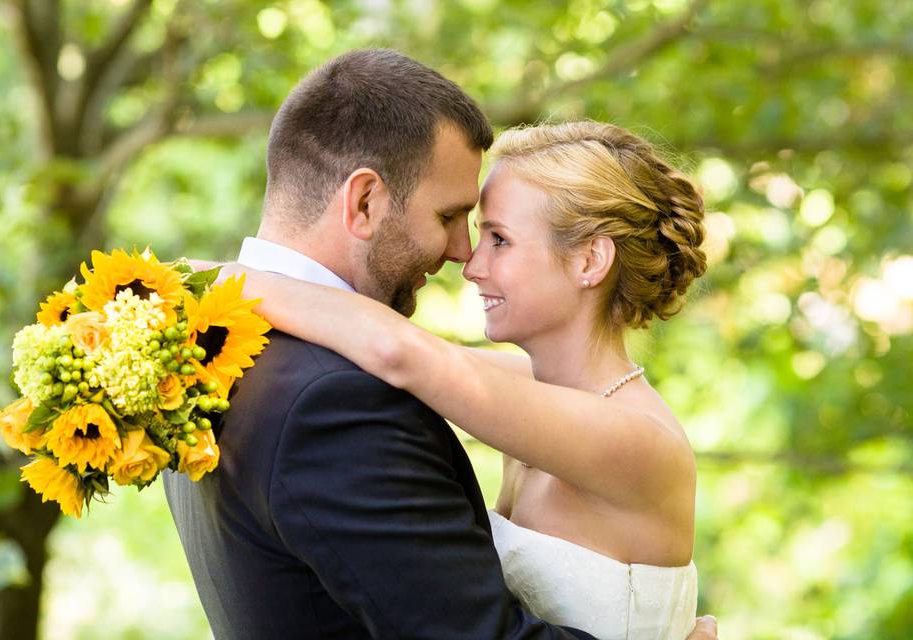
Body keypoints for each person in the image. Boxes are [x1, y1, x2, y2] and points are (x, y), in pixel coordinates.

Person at [164, 48, 717, 640]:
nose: (467, 260)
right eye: (462, 223)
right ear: (365, 201)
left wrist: (199, 279)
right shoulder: (521, 390)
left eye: (498, 239)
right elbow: (401, 351)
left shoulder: (633, 440)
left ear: (590, 259)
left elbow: (400, 352)